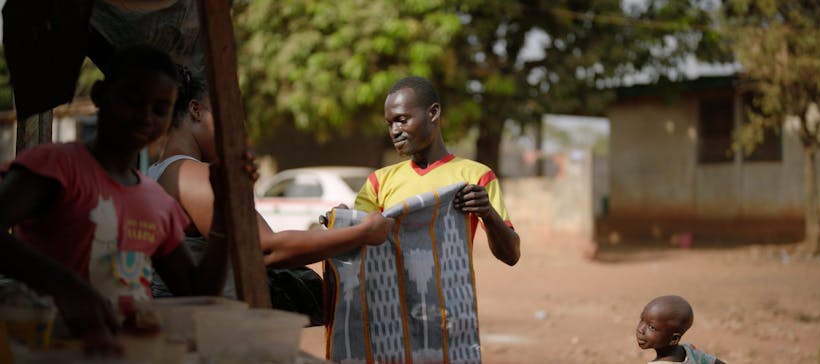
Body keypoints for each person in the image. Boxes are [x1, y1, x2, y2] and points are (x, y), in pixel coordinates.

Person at [0, 44, 236, 353]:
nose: (145, 117)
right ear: (100, 95)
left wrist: (224, 208)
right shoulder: (56, 165)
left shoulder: (157, 202)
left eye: (160, 109)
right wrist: (64, 284)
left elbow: (198, 291)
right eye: (132, 101)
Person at [146, 66, 394, 303]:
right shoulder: (192, 174)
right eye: (231, 119)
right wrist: (362, 233)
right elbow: (264, 249)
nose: (238, 132)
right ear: (196, 110)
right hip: (205, 332)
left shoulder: (157, 173)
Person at [325, 76, 520, 362]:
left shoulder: (474, 176)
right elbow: (360, 246)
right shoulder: (380, 181)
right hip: (387, 314)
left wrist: (487, 212)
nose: (395, 131)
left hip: (446, 316)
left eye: (402, 120)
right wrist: (343, 220)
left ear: (433, 113)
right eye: (390, 123)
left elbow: (511, 254)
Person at [636, 295, 726, 364]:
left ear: (674, 339)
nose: (640, 329)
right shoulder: (691, 351)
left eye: (651, 327)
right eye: (641, 319)